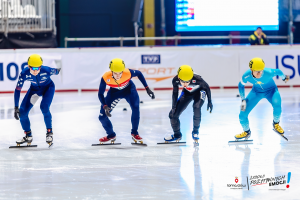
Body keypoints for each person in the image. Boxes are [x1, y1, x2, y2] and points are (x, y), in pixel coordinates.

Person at [98, 58, 155, 144]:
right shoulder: (106, 77)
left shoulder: (128, 72)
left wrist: (147, 88)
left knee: (136, 108)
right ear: (111, 71)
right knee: (102, 117)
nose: (118, 75)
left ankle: (135, 133)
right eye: (115, 73)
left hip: (129, 90)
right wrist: (104, 105)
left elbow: (139, 74)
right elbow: (100, 94)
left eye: (120, 73)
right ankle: (111, 135)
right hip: (114, 93)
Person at [235, 57, 290, 140]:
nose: (259, 74)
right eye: (257, 71)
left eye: (261, 71)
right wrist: (243, 99)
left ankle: (276, 124)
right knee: (242, 114)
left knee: (277, 106)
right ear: (251, 69)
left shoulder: (269, 72)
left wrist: (284, 78)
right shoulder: (246, 76)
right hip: (256, 92)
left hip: (271, 91)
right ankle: (246, 132)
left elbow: (278, 71)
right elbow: (241, 85)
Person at [14, 54, 61, 146]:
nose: (35, 71)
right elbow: (17, 89)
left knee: (44, 107)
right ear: (28, 66)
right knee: (22, 112)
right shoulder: (24, 73)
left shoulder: (47, 70)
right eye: (33, 69)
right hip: (34, 90)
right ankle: (28, 135)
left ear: (41, 66)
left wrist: (59, 70)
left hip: (48, 88)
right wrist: (16, 107)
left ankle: (49, 132)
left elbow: (57, 71)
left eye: (38, 68)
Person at [164, 65, 213, 143]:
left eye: (188, 81)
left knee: (196, 107)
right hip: (187, 93)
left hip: (200, 92)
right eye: (183, 82)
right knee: (173, 115)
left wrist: (210, 101)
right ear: (179, 78)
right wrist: (174, 107)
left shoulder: (198, 79)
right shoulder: (175, 80)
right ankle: (177, 135)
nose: (185, 84)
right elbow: (175, 94)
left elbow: (206, 87)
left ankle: (195, 132)